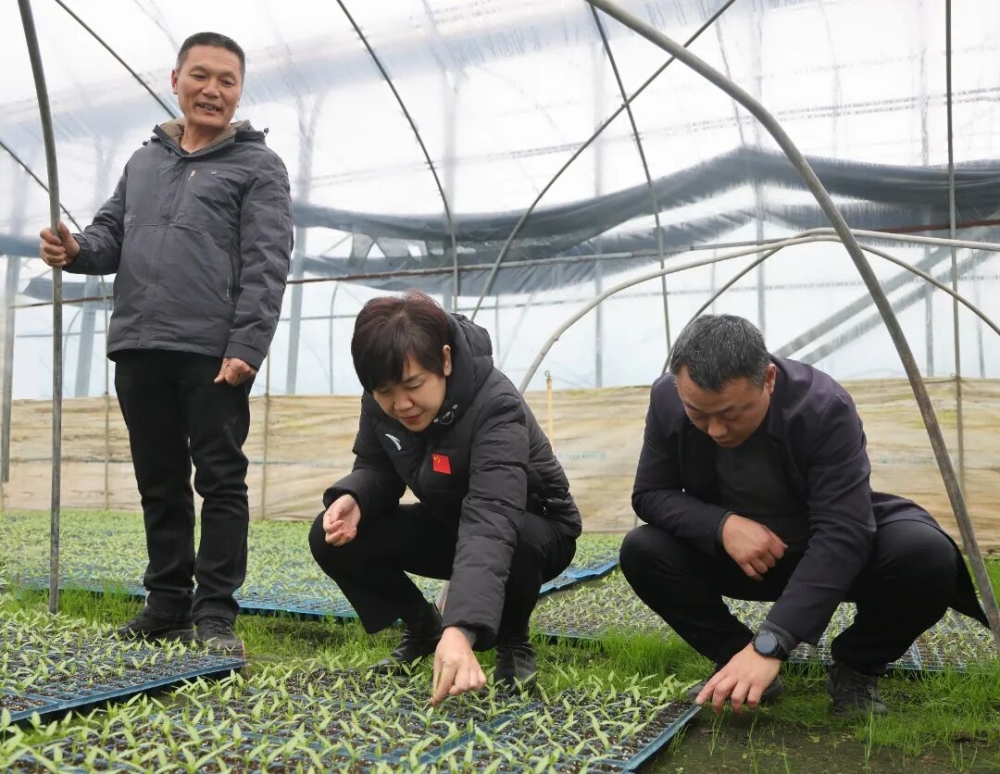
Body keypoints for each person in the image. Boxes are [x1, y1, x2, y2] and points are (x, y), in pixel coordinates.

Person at [38, 32, 293, 653]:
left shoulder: (258, 167)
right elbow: (108, 236)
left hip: (212, 351)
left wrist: (248, 345)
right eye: (200, 75)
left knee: (220, 480)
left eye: (226, 80)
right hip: (139, 344)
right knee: (159, 480)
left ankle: (215, 613)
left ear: (239, 94)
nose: (212, 90)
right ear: (175, 80)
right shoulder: (143, 161)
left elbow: (267, 262)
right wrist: (75, 250)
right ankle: (167, 603)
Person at [621, 314, 987, 716]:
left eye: (731, 413)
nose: (716, 430)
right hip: (744, 560)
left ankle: (857, 667)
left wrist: (773, 641)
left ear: (769, 379)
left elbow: (842, 530)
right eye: (698, 414)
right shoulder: (667, 398)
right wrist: (721, 525)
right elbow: (651, 493)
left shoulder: (823, 407)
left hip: (822, 551)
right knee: (643, 550)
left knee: (926, 555)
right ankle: (737, 661)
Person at [309, 291, 581, 705]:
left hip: (534, 527)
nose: (401, 404)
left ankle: (513, 641)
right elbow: (377, 465)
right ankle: (423, 627)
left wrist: (462, 628)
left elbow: (493, 517)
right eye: (384, 391)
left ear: (446, 360)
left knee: (518, 540)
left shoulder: (496, 405)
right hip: (450, 519)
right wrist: (356, 497)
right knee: (327, 535)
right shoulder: (381, 400)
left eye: (414, 385)